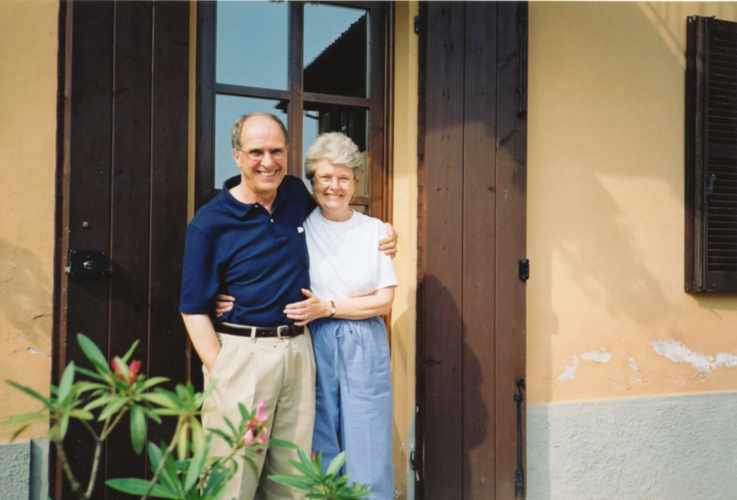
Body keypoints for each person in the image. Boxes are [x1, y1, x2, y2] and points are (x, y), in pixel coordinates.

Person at [179, 113, 396, 500]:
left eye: (276, 151)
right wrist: (223, 370)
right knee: (232, 478)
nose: (268, 162)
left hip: (298, 351)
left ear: (287, 153)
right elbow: (192, 309)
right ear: (237, 156)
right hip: (243, 355)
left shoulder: (295, 195)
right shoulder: (209, 223)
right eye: (256, 152)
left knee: (293, 481)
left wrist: (387, 233)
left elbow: (338, 214)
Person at [282, 132, 397, 500]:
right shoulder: (298, 226)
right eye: (325, 177)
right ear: (312, 181)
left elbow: (384, 301)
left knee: (368, 438)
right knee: (319, 436)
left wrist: (329, 307)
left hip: (365, 341)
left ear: (355, 182)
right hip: (314, 339)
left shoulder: (375, 230)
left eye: (344, 178)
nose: (334, 187)